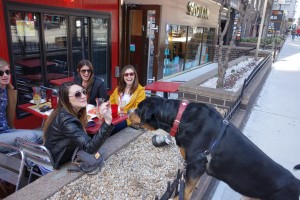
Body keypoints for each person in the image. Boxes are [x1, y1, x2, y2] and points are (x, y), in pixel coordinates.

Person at [43, 82, 113, 169]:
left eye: (84, 91)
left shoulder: (63, 111)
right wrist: (107, 120)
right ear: (66, 99)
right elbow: (90, 148)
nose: (83, 96)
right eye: (77, 94)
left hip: (55, 155)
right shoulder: (66, 120)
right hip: (54, 163)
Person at [0, 58, 43, 152]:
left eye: (7, 72)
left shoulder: (7, 90)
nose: (5, 75)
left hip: (7, 131)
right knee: (30, 137)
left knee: (42, 135)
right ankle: (34, 166)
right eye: (1, 73)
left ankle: (50, 160)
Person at [110, 65, 146, 132]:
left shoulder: (140, 91)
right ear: (123, 77)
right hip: (115, 117)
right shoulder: (118, 89)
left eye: (131, 74)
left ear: (135, 75)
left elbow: (138, 110)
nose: (129, 76)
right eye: (126, 74)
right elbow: (111, 102)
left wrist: (122, 111)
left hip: (127, 119)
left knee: (110, 129)